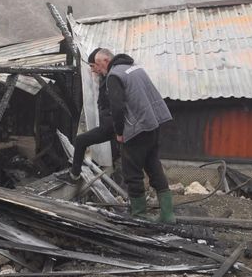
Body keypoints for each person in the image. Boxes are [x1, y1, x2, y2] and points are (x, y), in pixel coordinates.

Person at [94, 48, 175, 223]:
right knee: (154, 167)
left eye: (98, 65)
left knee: (132, 173)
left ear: (106, 60)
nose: (97, 70)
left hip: (136, 130)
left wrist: (119, 132)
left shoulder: (114, 75)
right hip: (153, 125)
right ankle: (168, 215)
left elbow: (117, 107)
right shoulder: (136, 68)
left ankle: (139, 216)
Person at [69, 47, 117, 180]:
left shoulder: (112, 78)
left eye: (92, 65)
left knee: (130, 165)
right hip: (109, 127)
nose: (92, 69)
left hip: (114, 128)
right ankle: (74, 175)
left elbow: (118, 106)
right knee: (81, 140)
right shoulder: (104, 78)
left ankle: (74, 176)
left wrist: (118, 130)